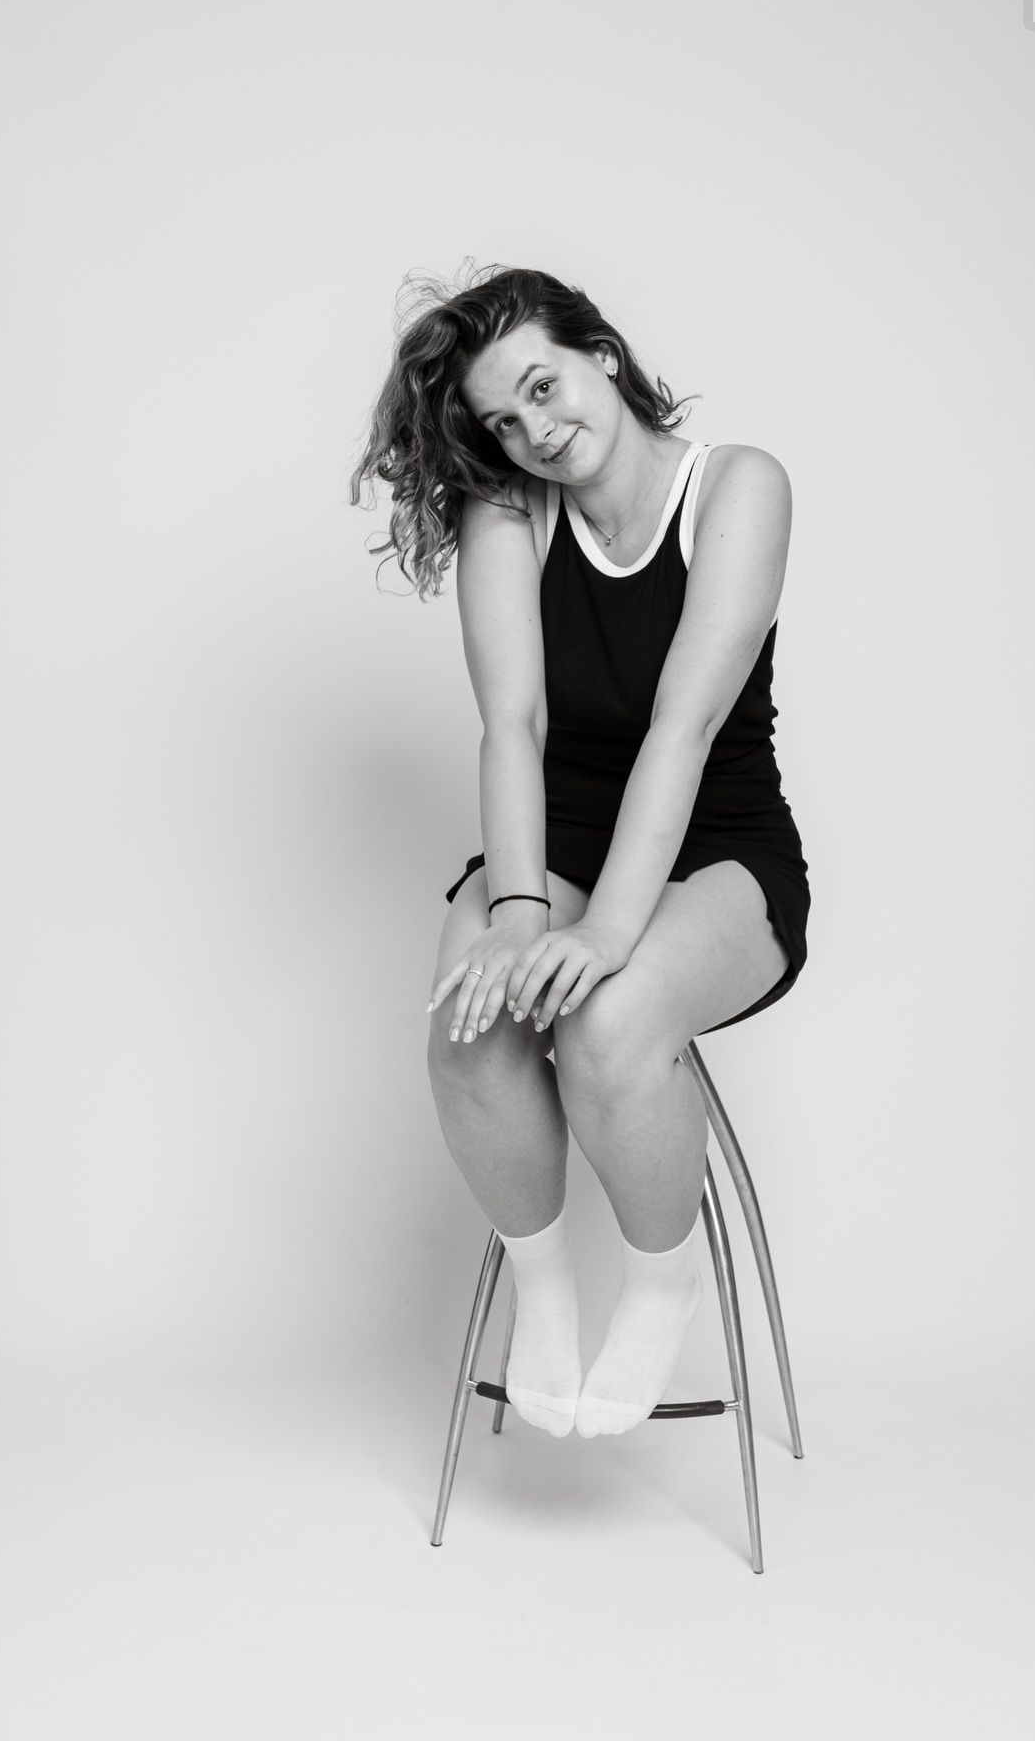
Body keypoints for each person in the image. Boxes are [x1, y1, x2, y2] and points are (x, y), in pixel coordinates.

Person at [351, 264, 810, 1440]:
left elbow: (683, 729)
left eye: (543, 387)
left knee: (609, 1019)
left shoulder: (737, 487)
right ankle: (544, 1290)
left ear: (602, 354)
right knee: (470, 1014)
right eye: (503, 421)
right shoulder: (510, 515)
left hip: (717, 849)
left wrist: (605, 932)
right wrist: (518, 915)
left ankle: (662, 1288)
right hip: (555, 842)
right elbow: (513, 725)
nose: (534, 431)